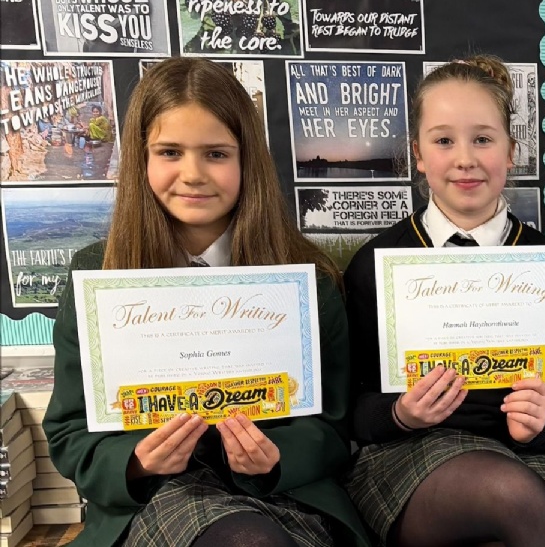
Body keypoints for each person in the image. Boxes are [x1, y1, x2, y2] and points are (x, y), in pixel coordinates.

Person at [42, 57, 372, 547]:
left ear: (247, 161)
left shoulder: (308, 277)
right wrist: (136, 461)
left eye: (216, 154)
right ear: (141, 159)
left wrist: (276, 456)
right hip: (154, 499)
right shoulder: (99, 272)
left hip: (282, 494)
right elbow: (70, 431)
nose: (193, 174)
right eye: (170, 152)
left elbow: (332, 423)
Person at [342, 56, 545, 547]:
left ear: (511, 152)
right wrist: (400, 414)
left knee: (513, 511)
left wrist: (542, 427)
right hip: (408, 457)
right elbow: (349, 410)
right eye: (443, 141)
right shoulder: (375, 264)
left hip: (532, 459)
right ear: (417, 154)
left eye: (483, 139)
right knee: (509, 494)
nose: (465, 159)